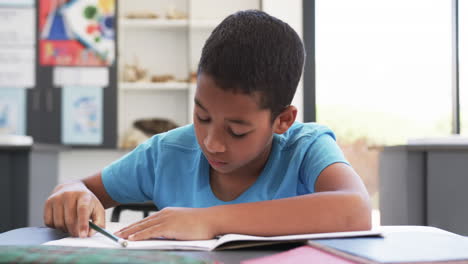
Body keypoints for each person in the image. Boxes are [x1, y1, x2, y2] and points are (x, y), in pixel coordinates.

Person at [44, 10, 371, 241]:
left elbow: (355, 209)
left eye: (237, 130)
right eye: (202, 117)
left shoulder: (306, 148)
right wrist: (72, 192)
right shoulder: (167, 154)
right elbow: (82, 188)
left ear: (283, 120)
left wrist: (208, 221)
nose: (212, 142)